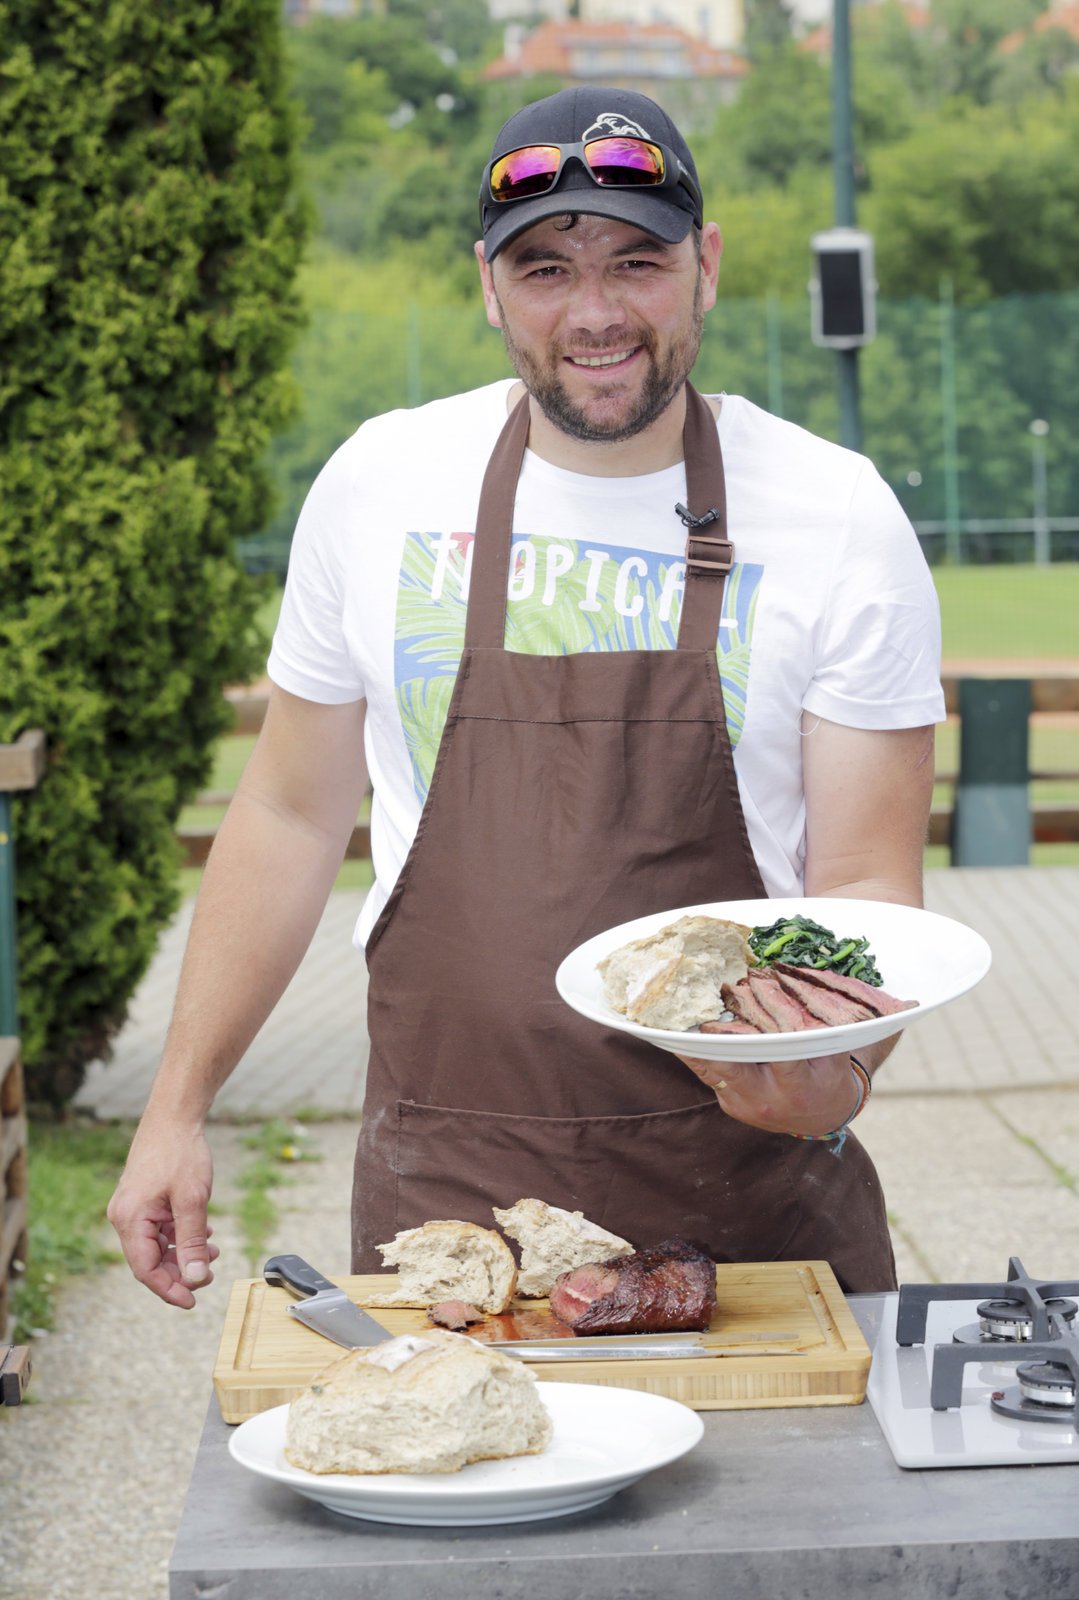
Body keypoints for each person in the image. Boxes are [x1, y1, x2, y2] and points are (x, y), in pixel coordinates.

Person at [107, 86, 944, 1307]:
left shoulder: (836, 513)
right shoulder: (381, 485)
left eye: (635, 261)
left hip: (749, 1194)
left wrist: (843, 1067)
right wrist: (173, 1110)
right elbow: (287, 817)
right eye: (544, 267)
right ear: (487, 285)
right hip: (449, 1204)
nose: (594, 313)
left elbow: (868, 880)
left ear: (703, 266)